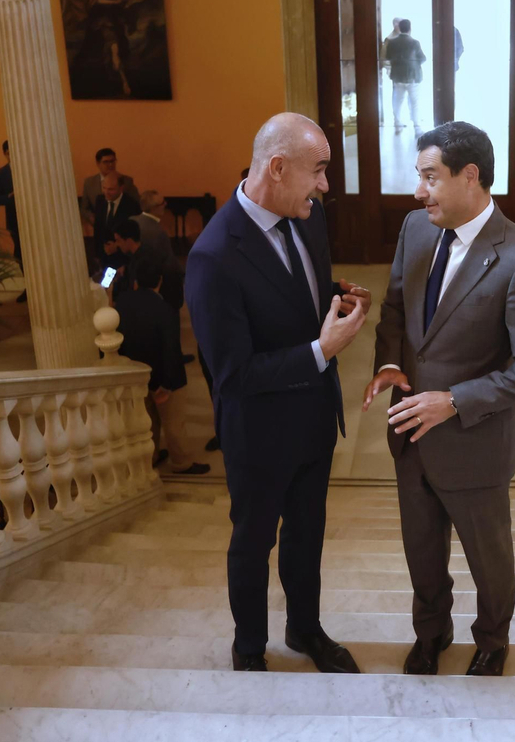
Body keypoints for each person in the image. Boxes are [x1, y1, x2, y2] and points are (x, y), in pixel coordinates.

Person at [364, 121, 515, 679]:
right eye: (419, 177)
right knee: (421, 553)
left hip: (474, 443)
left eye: (430, 177)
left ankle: (492, 640)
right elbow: (397, 311)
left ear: (469, 176)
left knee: (487, 560)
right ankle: (432, 634)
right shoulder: (415, 229)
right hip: (410, 437)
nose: (418, 191)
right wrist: (390, 363)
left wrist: (452, 400)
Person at [186, 113, 371, 674]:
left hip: (313, 420)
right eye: (318, 171)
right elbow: (233, 374)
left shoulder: (308, 218)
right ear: (277, 167)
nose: (325, 186)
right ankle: (249, 649)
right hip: (260, 436)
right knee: (253, 544)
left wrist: (332, 300)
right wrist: (323, 349)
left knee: (307, 536)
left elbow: (295, 294)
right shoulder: (213, 257)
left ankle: (305, 630)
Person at [113, 268, 208, 476]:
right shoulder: (165, 309)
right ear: (160, 281)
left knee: (146, 423)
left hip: (135, 375)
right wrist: (164, 384)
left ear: (136, 282)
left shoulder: (122, 303)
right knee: (174, 425)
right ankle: (181, 463)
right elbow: (171, 350)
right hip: (163, 379)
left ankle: (151, 457)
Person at [0, 141, 24, 303]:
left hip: (31, 217)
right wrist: (9, 198)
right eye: (11, 152)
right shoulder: (2, 174)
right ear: (5, 153)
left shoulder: (28, 169)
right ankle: (28, 286)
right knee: (19, 253)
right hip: (14, 219)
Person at [385, 18, 426, 132]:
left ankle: (397, 124)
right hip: (413, 76)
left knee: (397, 101)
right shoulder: (414, 42)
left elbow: (388, 57)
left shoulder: (391, 42)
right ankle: (417, 126)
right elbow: (423, 58)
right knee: (414, 102)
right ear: (410, 28)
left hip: (398, 77)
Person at [91, 173, 141, 264]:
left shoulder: (131, 205)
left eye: (110, 189)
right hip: (103, 256)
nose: (106, 192)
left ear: (121, 188)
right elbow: (98, 228)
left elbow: (133, 235)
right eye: (104, 188)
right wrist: (97, 254)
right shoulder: (100, 200)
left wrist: (116, 246)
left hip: (122, 258)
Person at [81, 148, 139, 223]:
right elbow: (84, 208)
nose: (110, 165)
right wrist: (91, 217)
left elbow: (136, 204)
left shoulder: (127, 181)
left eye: (112, 161)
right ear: (98, 163)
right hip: (99, 225)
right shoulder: (89, 183)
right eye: (106, 162)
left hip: (122, 225)